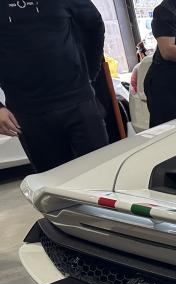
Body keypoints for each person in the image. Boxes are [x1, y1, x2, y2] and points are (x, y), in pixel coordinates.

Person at [0, 0, 109, 173]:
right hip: (29, 113)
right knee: (54, 181)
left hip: (79, 102)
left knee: (101, 173)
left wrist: (90, 74)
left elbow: (94, 25)